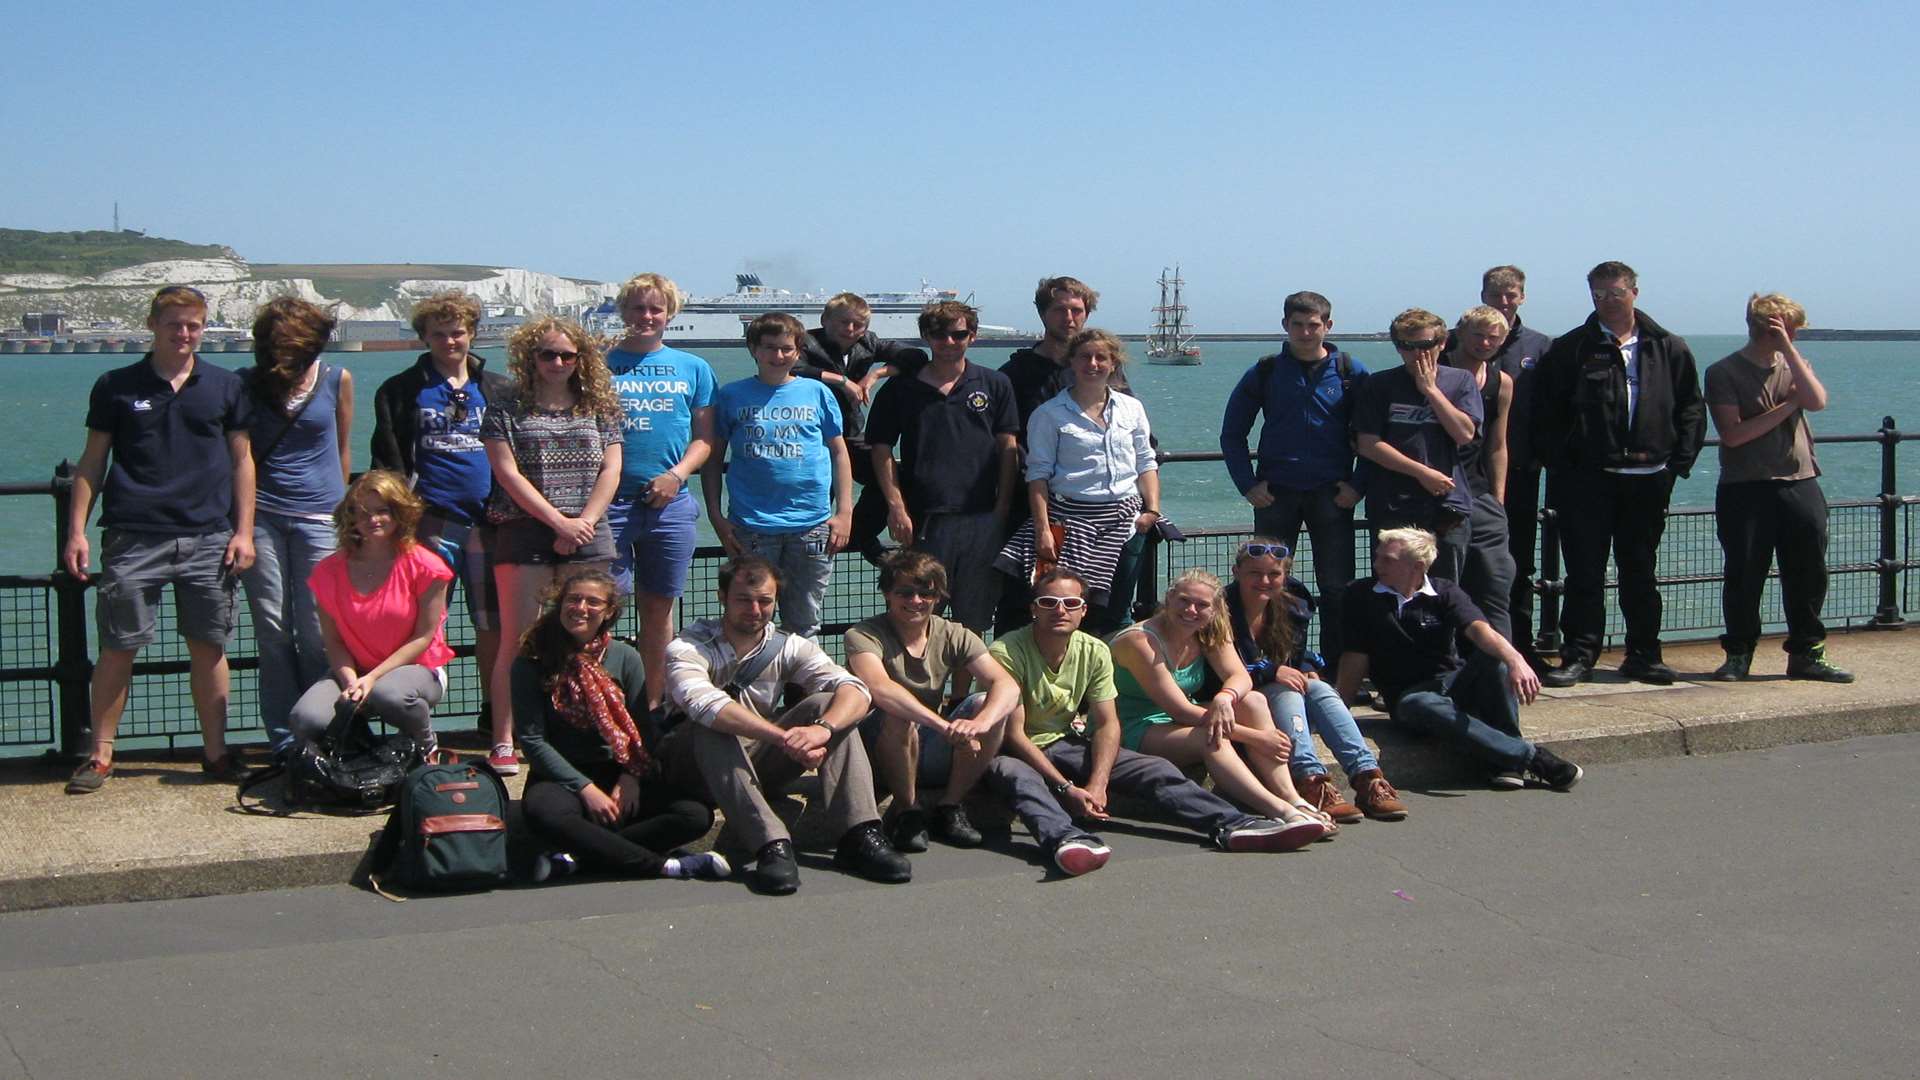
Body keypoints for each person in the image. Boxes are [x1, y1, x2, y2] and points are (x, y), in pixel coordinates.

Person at [983, 570, 1323, 878]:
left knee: (1156, 771)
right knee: (1021, 779)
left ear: (1083, 610)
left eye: (1071, 603)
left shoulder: (1093, 650)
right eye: (1049, 602)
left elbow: (1105, 724)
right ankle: (1066, 839)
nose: (1060, 610)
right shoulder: (1006, 652)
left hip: (1063, 740)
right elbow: (1014, 735)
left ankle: (1234, 824)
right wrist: (1066, 788)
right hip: (1008, 746)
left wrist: (1099, 784)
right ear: (1033, 608)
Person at [63, 285, 256, 794]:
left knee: (209, 647)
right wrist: (76, 531)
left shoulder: (225, 385)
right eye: (174, 324)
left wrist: (244, 531)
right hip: (133, 535)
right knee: (117, 647)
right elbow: (92, 462)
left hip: (209, 537)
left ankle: (215, 753)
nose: (184, 333)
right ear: (153, 324)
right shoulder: (115, 384)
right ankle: (100, 754)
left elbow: (242, 461)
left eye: (193, 324)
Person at [658, 556, 910, 895]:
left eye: (765, 601)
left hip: (755, 757)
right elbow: (705, 704)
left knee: (827, 704)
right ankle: (771, 845)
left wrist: (821, 730)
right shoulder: (688, 646)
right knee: (712, 724)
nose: (755, 609)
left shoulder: (787, 645)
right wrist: (783, 738)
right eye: (743, 600)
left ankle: (860, 833)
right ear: (722, 598)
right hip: (691, 763)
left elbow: (856, 689)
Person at [1535, 262, 1706, 687]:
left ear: (1634, 292)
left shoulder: (1669, 346)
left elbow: (1691, 406)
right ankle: (1579, 655)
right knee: (1584, 573)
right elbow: (1547, 413)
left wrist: (1677, 464)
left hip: (1649, 478)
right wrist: (1565, 466)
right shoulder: (1571, 348)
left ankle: (1645, 655)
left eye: (1615, 293)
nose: (1608, 302)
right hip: (1588, 480)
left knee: (1640, 571)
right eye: (1599, 295)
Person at [514, 569, 731, 883]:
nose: (581, 608)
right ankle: (665, 866)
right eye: (573, 599)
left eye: (593, 602)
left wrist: (631, 778)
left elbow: (644, 727)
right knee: (544, 814)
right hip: (561, 777)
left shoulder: (625, 657)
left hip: (618, 769)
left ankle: (577, 860)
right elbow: (533, 741)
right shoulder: (531, 661)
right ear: (560, 604)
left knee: (694, 815)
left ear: (608, 612)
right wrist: (585, 789)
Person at [480, 317, 624, 773]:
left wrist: (583, 521)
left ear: (582, 360)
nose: (557, 362)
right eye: (547, 354)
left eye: (567, 355)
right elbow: (507, 473)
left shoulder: (600, 404)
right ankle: (505, 739)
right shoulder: (505, 405)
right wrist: (557, 521)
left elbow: (611, 468)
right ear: (531, 358)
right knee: (518, 640)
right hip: (525, 529)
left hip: (589, 528)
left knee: (594, 639)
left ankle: (595, 729)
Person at [1337, 527, 1582, 791]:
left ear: (1417, 566)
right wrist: (1338, 711)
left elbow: (1480, 630)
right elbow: (1355, 657)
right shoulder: (1361, 595)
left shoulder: (1444, 591)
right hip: (1409, 697)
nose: (1377, 565)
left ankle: (1505, 762)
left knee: (1494, 660)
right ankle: (1532, 758)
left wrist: (1516, 660)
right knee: (1420, 703)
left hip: (1451, 683)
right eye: (1378, 557)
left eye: (1388, 560)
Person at [370, 291, 511, 744]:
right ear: (424, 338)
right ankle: (417, 721)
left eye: (458, 332)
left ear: (472, 333)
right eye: (439, 334)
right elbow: (387, 459)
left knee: (493, 623)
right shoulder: (401, 390)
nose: (450, 341)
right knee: (424, 625)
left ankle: (494, 712)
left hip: (490, 521)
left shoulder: (499, 389)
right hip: (429, 523)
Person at [1107, 570, 1332, 842]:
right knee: (1212, 738)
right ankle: (1281, 812)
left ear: (1214, 610)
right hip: (1133, 724)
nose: (1191, 610)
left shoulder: (1207, 629)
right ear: (1168, 599)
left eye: (1202, 605)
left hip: (1176, 719)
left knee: (1253, 700)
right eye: (1183, 601)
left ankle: (1292, 798)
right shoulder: (1140, 641)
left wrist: (1225, 696)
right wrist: (1259, 738)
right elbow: (1179, 710)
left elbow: (1240, 676)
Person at [1704, 293, 1852, 683]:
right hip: (1746, 487)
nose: (1798, 335)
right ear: (1768, 326)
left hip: (1800, 481)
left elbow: (1816, 401)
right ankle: (1738, 653)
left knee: (1808, 571)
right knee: (1745, 573)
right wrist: (1788, 406)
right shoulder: (1724, 371)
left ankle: (1806, 653)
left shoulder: (1795, 365)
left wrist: (1789, 353)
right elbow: (1734, 435)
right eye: (1791, 328)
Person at [1218, 290, 1368, 665]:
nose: (1305, 332)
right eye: (1297, 325)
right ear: (1285, 325)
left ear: (1328, 326)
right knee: (1265, 586)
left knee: (1336, 587)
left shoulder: (1351, 372)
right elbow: (1232, 433)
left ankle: (1335, 670)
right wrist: (1247, 484)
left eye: (1313, 325)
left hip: (1332, 495)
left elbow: (1373, 435)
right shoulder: (1265, 371)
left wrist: (1357, 484)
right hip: (1276, 495)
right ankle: (1272, 664)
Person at [846, 549, 1020, 852]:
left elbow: (1005, 684)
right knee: (898, 714)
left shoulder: (954, 634)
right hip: (881, 748)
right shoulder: (863, 635)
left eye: (925, 593)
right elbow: (880, 687)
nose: (916, 601)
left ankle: (950, 806)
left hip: (932, 742)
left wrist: (979, 724)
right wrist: (944, 726)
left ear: (938, 597)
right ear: (887, 593)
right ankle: (908, 810)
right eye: (905, 592)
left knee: (986, 702)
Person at [239, 297, 352, 761]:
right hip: (262, 516)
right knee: (272, 629)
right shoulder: (245, 385)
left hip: (320, 517)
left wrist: (344, 516)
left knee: (317, 629)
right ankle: (285, 740)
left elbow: (342, 450)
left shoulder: (336, 379)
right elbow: (239, 455)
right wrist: (241, 527)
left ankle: (323, 730)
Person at [865, 299, 1019, 633]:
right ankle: (918, 687)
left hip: (983, 518)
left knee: (974, 620)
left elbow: (1008, 448)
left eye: (957, 334)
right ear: (925, 337)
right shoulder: (900, 389)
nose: (948, 342)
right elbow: (881, 449)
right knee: (917, 616)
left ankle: (963, 689)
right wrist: (896, 507)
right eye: (938, 335)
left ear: (972, 336)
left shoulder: (994, 384)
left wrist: (1002, 509)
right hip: (924, 520)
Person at [1227, 538, 1407, 822]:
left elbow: (1298, 655)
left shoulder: (1292, 605)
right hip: (1239, 700)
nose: (1264, 581)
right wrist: (1273, 671)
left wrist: (1307, 666)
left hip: (1279, 698)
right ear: (1236, 573)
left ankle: (1367, 778)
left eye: (1274, 574)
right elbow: (1223, 670)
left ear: (1285, 576)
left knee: (1320, 688)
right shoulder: (1221, 609)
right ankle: (1310, 780)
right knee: (1287, 691)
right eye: (1254, 573)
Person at [993, 328, 1160, 630]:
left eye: (1101, 358)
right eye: (1085, 357)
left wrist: (1151, 511)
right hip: (1069, 524)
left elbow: (1145, 461)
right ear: (1071, 362)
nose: (1093, 364)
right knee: (1068, 613)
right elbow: (1038, 475)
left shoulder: (1131, 408)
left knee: (1117, 614)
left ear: (1113, 363)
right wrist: (1044, 530)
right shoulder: (1049, 414)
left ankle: (1107, 676)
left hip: (1126, 523)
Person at [602, 272, 716, 712]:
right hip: (608, 504)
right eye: (637, 308)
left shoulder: (694, 368)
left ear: (670, 314)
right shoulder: (598, 362)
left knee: (658, 611)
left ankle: (654, 702)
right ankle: (603, 701)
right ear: (623, 311)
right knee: (601, 610)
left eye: (655, 308)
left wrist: (676, 475)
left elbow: (704, 439)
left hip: (669, 504)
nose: (646, 316)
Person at [704, 312, 852, 638]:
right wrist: (715, 515)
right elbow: (713, 460)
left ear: (798, 351)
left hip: (812, 527)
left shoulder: (818, 393)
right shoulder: (731, 396)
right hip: (751, 527)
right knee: (750, 619)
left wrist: (844, 512)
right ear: (754, 349)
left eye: (786, 348)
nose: (778, 356)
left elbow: (839, 452)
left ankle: (802, 689)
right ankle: (753, 688)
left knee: (804, 624)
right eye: (769, 348)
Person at [292, 470, 452, 758]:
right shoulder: (327, 572)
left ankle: (427, 746)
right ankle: (360, 754)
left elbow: (424, 637)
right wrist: (351, 682)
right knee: (306, 719)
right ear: (351, 517)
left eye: (382, 511)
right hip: (355, 671)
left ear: (399, 512)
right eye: (363, 513)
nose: (373, 520)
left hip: (417, 668)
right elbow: (334, 642)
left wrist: (373, 679)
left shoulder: (427, 566)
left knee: (388, 695)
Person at [1354, 308, 1483, 584]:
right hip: (1393, 505)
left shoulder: (1461, 381)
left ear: (1442, 344)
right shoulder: (1379, 385)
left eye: (1425, 345)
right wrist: (1421, 473)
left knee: (1444, 589)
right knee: (1392, 586)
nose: (1418, 354)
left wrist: (1431, 391)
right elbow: (1368, 444)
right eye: (1407, 346)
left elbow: (1464, 434)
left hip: (1446, 506)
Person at [799, 291, 928, 561]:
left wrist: (877, 373)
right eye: (843, 322)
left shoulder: (867, 343)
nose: (850, 330)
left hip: (850, 435)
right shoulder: (806, 342)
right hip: (813, 439)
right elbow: (793, 368)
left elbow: (916, 357)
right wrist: (841, 380)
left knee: (893, 475)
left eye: (858, 325)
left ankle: (860, 534)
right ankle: (809, 553)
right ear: (825, 320)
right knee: (819, 500)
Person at [1475, 266, 1555, 668]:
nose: (1504, 302)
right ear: (1483, 294)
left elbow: (1553, 407)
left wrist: (1542, 454)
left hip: (1521, 471)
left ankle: (1521, 647)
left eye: (1511, 295)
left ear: (1522, 296)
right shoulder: (1462, 342)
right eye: (1496, 294)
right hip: (1466, 475)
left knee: (1518, 563)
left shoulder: (1541, 346)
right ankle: (1467, 649)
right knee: (1459, 565)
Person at [1442, 305, 1519, 639]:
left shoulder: (1501, 382)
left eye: (1493, 338)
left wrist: (1498, 498)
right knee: (1445, 584)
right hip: (1441, 494)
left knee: (1494, 585)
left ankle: (1500, 673)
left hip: (1481, 493)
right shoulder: (1436, 373)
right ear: (1460, 333)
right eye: (1478, 334)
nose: (1485, 343)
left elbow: (1498, 445)